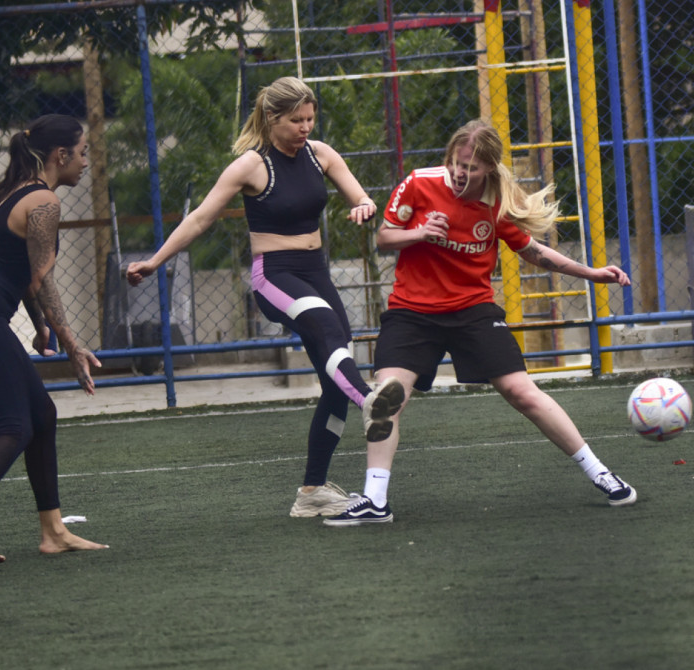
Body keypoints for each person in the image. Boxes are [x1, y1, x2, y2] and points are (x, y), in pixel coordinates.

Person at [325, 119, 636, 527]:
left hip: (472, 309)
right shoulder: (419, 184)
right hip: (412, 311)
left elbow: (535, 253)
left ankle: (600, 472)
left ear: (488, 168)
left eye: (470, 168)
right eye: (456, 163)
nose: (459, 173)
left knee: (522, 392)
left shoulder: (497, 201)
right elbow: (384, 237)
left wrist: (592, 273)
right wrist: (420, 233)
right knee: (387, 397)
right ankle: (375, 500)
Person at [125, 76, 403, 518]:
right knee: (328, 327)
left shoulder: (321, 154)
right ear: (273, 118)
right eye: (296, 120)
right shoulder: (250, 166)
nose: (305, 127)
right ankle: (369, 401)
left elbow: (359, 194)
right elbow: (199, 220)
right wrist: (154, 262)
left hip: (315, 271)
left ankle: (311, 493)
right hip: (274, 276)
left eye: (310, 118)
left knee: (334, 383)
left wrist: (363, 205)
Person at [0, 114, 107, 563]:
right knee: (15, 426)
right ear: (60, 155)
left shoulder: (21, 192)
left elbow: (27, 277)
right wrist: (70, 343)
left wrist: (40, 325)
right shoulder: (44, 200)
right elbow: (43, 278)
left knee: (41, 414)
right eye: (83, 153)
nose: (86, 162)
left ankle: (53, 532)